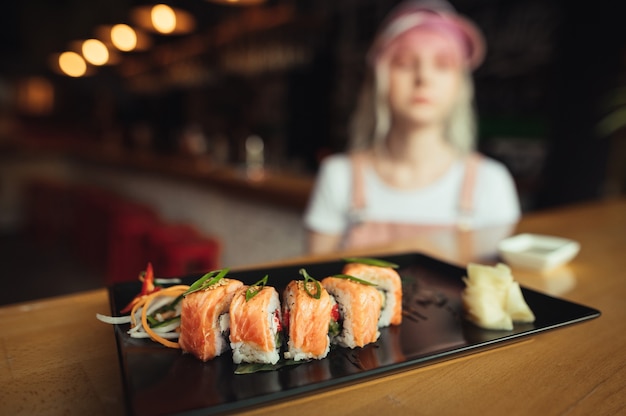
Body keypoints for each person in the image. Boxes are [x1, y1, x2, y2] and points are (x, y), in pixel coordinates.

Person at [304, 0, 521, 254]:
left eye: (442, 65)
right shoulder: (339, 176)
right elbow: (313, 283)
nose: (424, 78)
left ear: (459, 85)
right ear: (380, 79)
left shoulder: (491, 183)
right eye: (405, 63)